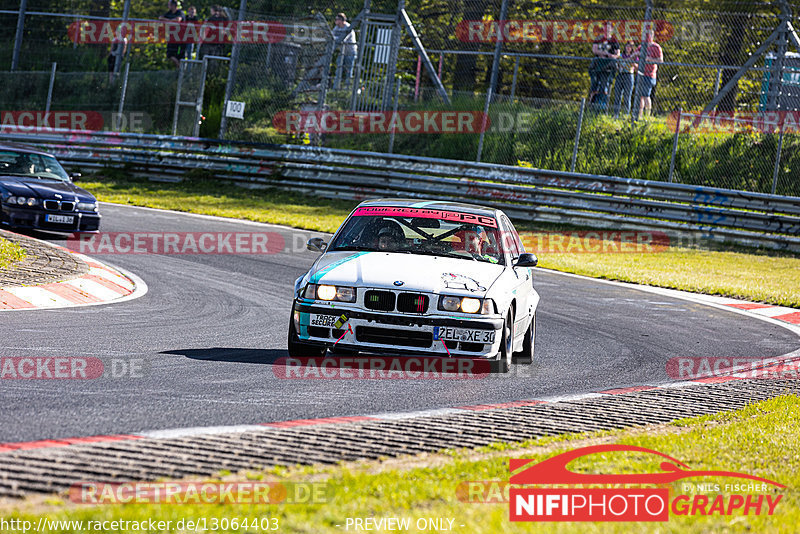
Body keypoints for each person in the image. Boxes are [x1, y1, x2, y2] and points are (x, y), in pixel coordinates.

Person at [588, 25, 619, 111]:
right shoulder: (598, 39)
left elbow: (617, 54)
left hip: (607, 66)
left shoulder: (614, 41)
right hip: (597, 65)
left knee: (604, 87)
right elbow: (594, 50)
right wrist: (605, 54)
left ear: (612, 30)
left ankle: (602, 108)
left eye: (609, 29)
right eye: (605, 28)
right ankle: (591, 107)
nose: (607, 30)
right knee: (594, 87)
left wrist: (610, 56)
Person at [635, 29, 663, 120]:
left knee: (646, 95)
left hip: (650, 75)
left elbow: (660, 60)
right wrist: (636, 56)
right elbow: (634, 56)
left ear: (652, 36)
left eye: (648, 35)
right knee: (640, 96)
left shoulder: (656, 47)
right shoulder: (641, 46)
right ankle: (639, 116)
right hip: (640, 73)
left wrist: (648, 59)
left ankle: (647, 116)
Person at [612, 41, 636, 117]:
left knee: (627, 97)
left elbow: (637, 67)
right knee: (617, 96)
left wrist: (632, 62)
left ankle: (625, 115)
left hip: (629, 76)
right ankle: (616, 114)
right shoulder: (621, 55)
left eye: (630, 47)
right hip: (620, 75)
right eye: (627, 46)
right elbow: (617, 64)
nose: (628, 48)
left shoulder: (634, 56)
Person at [332, 13, 357, 82]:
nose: (335, 21)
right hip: (342, 52)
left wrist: (335, 38)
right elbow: (331, 36)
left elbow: (343, 39)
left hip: (350, 52)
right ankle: (336, 87)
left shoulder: (348, 27)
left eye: (337, 19)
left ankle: (347, 88)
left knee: (348, 71)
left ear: (341, 20)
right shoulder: (337, 27)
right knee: (338, 70)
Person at [159, 0, 185, 68]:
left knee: (180, 56)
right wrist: (170, 21)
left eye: (169, 5)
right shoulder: (169, 13)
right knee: (170, 54)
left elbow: (178, 20)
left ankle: (182, 70)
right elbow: (160, 18)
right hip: (172, 36)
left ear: (173, 5)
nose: (168, 6)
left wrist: (168, 21)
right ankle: (179, 69)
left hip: (181, 37)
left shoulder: (180, 12)